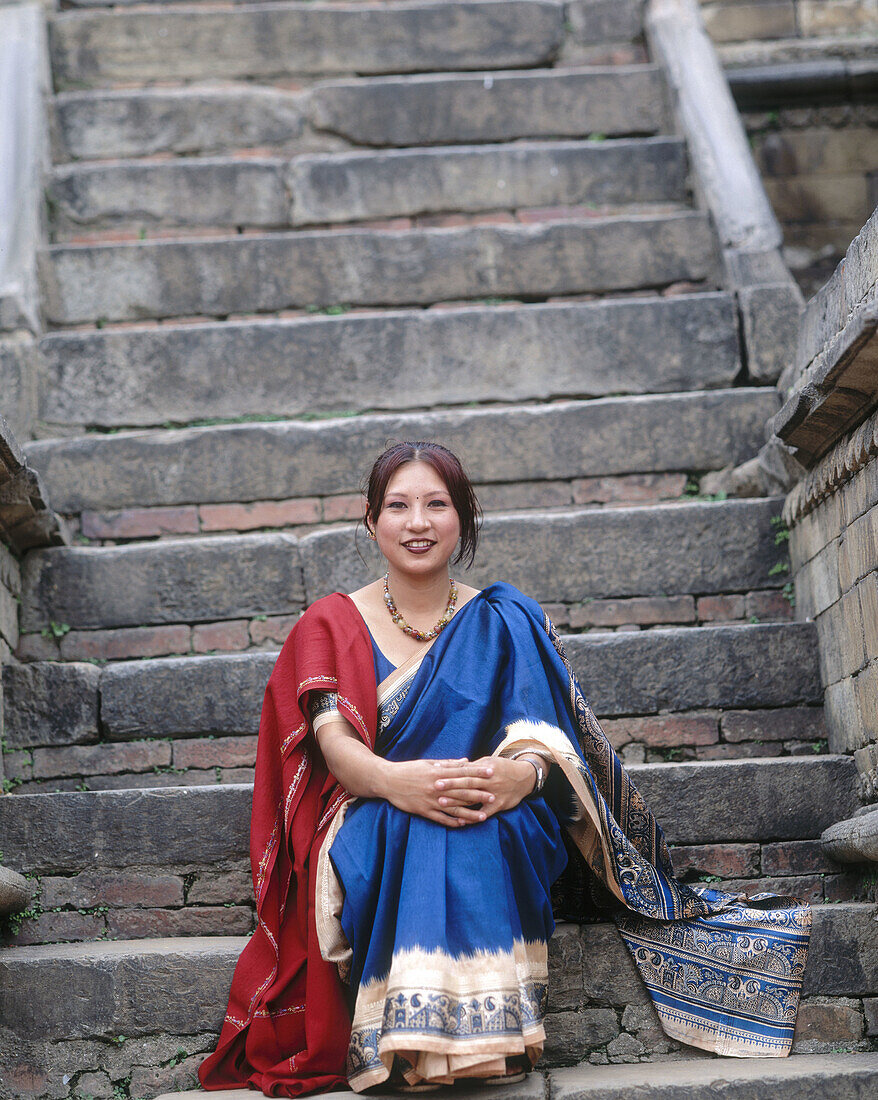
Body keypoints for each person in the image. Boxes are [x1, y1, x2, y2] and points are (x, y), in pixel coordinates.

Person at [199, 441, 812, 1097]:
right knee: (420, 827)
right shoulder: (331, 621)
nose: (418, 523)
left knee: (475, 825)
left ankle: (482, 1040)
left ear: (464, 516)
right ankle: (408, 1040)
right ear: (371, 519)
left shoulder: (504, 617)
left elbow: (544, 737)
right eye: (399, 506)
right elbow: (334, 744)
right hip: (370, 806)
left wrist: (522, 777)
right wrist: (399, 783)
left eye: (437, 504)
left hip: (500, 805)